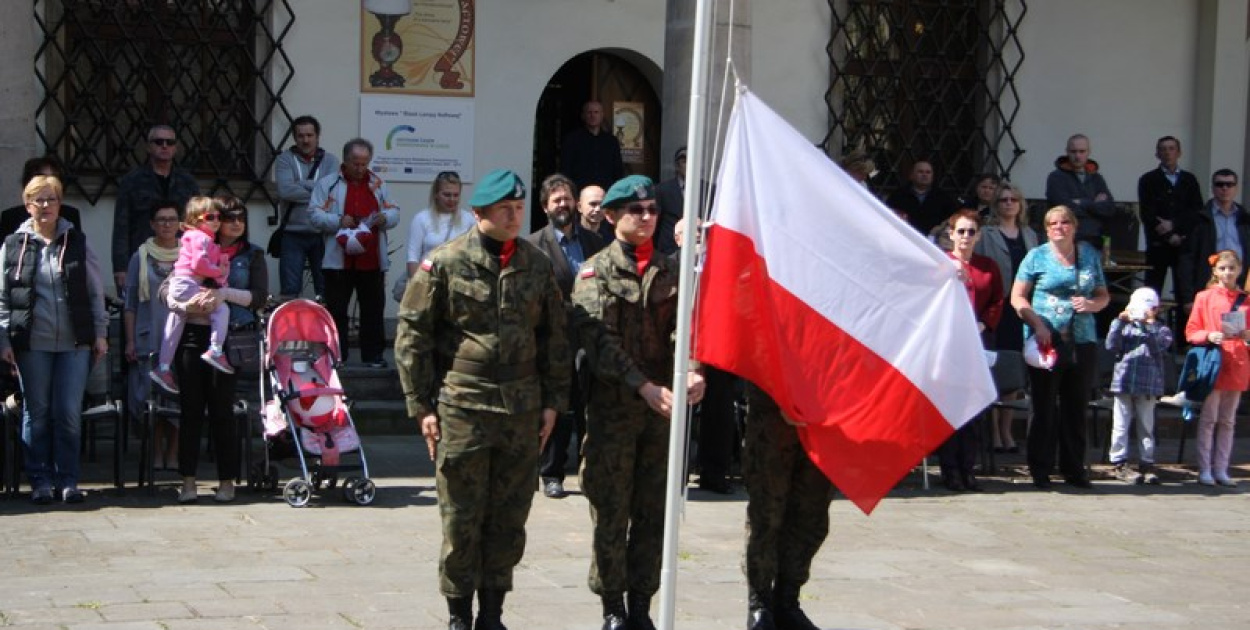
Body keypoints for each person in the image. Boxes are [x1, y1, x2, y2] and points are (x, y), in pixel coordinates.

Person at [395, 169, 570, 630]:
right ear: (479, 213)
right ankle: (459, 615)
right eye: (504, 209)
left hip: (521, 408)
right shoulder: (446, 262)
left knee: (509, 517)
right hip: (464, 407)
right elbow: (412, 336)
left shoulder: (536, 264)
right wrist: (421, 406)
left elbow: (555, 337)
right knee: (461, 517)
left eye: (519, 208)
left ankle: (493, 615)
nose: (514, 216)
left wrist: (553, 401)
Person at [571, 175, 705, 630]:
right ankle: (613, 606)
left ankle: (643, 605)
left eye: (652, 210)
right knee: (611, 511)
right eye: (635, 210)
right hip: (615, 411)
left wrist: (694, 369)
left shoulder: (672, 270)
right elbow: (600, 341)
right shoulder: (595, 272)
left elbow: (688, 327)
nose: (646, 217)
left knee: (654, 512)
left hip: (661, 414)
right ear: (611, 217)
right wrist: (642, 386)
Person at [0, 175, 108, 504]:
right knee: (37, 412)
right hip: (32, 342)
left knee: (68, 412)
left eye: (51, 199)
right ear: (27, 205)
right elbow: (3, 297)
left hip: (75, 343)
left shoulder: (77, 242)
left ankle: (68, 480)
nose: (45, 205)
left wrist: (100, 333)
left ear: (60, 203)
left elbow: (95, 292)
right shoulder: (13, 244)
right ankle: (40, 480)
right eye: (38, 200)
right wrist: (4, 340)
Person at [168, 195, 268, 504]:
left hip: (231, 338)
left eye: (242, 218)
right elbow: (167, 289)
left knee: (222, 411)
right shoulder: (194, 243)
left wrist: (224, 295)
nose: (237, 223)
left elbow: (259, 296)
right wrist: (185, 303)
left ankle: (227, 481)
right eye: (229, 217)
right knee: (191, 410)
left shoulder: (252, 254)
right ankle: (188, 481)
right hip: (192, 334)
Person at [1010, 205, 1109, 489]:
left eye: (1065, 222)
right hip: (1046, 339)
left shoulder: (1089, 255)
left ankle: (1074, 469)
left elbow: (1103, 295)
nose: (1059, 227)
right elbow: (1017, 297)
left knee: (1076, 406)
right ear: (1046, 229)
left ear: (1074, 226)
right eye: (1053, 223)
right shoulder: (1036, 256)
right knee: (1043, 406)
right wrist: (1037, 324)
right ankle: (1040, 469)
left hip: (1082, 339)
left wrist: (1092, 304)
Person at [525, 174, 604, 499]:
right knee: (556, 405)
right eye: (556, 200)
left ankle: (591, 471)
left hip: (590, 338)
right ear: (545, 207)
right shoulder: (533, 245)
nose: (563, 205)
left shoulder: (595, 242)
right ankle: (551, 473)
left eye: (567, 199)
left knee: (589, 406)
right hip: (553, 339)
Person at [742, 384, 834, 630]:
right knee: (767, 514)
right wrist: (782, 397)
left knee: (811, 515)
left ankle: (787, 601)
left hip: (823, 411)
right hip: (772, 412)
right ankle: (760, 603)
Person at [308, 138, 400, 367]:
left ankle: (373, 356)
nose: (360, 168)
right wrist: (338, 221)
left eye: (364, 163)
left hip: (371, 259)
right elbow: (314, 215)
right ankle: (337, 355)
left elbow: (395, 211)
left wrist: (385, 217)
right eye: (355, 163)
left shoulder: (378, 184)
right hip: (338, 260)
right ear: (345, 160)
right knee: (337, 309)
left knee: (373, 309)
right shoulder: (328, 183)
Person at [938, 209, 1002, 491]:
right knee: (950, 407)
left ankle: (968, 468)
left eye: (971, 232)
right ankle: (950, 470)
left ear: (978, 236)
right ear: (951, 234)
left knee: (973, 407)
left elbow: (997, 300)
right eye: (961, 231)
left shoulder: (988, 266)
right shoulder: (940, 263)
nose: (965, 236)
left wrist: (983, 324)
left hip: (977, 341)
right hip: (948, 343)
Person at [975, 182, 1038, 454]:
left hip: (1022, 307)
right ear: (996, 205)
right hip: (997, 306)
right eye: (1003, 200)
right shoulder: (987, 233)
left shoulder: (1030, 235)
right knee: (995, 365)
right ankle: (993, 433)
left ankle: (1007, 430)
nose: (1009, 203)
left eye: (1014, 199)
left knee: (1013, 367)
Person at [149, 197, 234, 395]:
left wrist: (220, 270)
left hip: (182, 285)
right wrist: (219, 271)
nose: (216, 221)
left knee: (176, 319)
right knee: (221, 309)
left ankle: (163, 367)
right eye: (210, 217)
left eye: (219, 217)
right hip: (187, 284)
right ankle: (215, 349)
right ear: (196, 220)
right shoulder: (199, 237)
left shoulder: (198, 238)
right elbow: (199, 264)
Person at [123, 201, 183, 470]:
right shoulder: (140, 256)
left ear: (179, 224)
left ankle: (174, 453)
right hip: (149, 335)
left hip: (180, 336)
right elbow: (130, 304)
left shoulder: (189, 255)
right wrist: (130, 340)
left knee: (178, 395)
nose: (167, 224)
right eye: (161, 219)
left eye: (171, 219)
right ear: (152, 224)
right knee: (150, 397)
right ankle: (156, 452)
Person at [1184, 249, 1248, 488]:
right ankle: (1205, 469)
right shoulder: (1204, 297)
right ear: (1215, 271)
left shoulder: (1246, 300)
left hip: (1238, 361)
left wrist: (1247, 336)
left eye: (1232, 268)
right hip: (1214, 361)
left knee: (1228, 420)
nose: (1228, 273)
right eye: (1223, 268)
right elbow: (1191, 331)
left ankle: (1222, 468)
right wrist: (1209, 335)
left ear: (1239, 270)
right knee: (1209, 418)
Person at [112, 124, 200, 295]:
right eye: (159, 142)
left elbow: (196, 223)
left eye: (170, 142)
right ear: (148, 147)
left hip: (181, 258)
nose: (164, 146)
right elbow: (121, 226)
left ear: (176, 147)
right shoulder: (132, 181)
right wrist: (120, 268)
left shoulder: (187, 182)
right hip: (143, 257)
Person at [1105, 287, 1172, 485]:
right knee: (1120, 424)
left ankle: (1147, 462)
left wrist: (1149, 326)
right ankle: (1119, 461)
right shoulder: (1125, 328)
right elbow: (1111, 345)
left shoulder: (1162, 330)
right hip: (1124, 383)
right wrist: (1119, 322)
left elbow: (1158, 348)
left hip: (1148, 385)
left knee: (1146, 425)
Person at [274, 115, 341, 301]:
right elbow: (285, 191)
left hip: (323, 233)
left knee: (327, 288)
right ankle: (292, 321)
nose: (305, 140)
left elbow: (332, 193)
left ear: (317, 136)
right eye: (301, 136)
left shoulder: (331, 161)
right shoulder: (284, 159)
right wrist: (318, 190)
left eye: (310, 135)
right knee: (290, 289)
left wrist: (301, 183)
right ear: (295, 138)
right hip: (292, 233)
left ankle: (326, 320)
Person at [1137, 136, 1203, 295]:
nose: (1167, 153)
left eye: (1171, 148)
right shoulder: (1148, 180)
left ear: (1179, 153)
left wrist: (1175, 226)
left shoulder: (1189, 179)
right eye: (1163, 149)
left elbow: (1196, 211)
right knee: (1152, 292)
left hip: (1184, 243)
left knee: (1184, 290)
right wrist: (1168, 236)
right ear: (1157, 154)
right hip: (1157, 243)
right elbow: (1147, 213)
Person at [394, 170, 474, 302]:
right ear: (436, 194)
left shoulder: (468, 220)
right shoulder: (422, 219)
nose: (452, 199)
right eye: (446, 195)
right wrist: (417, 289)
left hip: (458, 287)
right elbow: (413, 257)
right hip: (428, 283)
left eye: (456, 195)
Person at [1177, 170, 1247, 313]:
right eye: (1220, 184)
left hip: (1240, 285)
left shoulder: (1245, 218)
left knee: (1238, 326)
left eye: (1229, 184)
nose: (1225, 188)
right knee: (1212, 326)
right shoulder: (1198, 219)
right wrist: (1188, 297)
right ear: (1213, 188)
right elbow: (1187, 259)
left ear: (1236, 188)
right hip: (1209, 285)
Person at [1044, 134, 1115, 249]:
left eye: (1082, 151)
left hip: (1096, 240)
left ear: (1088, 152)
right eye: (1073, 151)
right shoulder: (1056, 178)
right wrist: (1095, 204)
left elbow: (1109, 209)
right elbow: (1064, 211)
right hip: (1067, 241)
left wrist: (1083, 203)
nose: (1077, 156)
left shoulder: (1097, 178)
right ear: (1067, 152)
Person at [0, 155, 83, 239]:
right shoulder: (11, 218)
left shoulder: (70, 216)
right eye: (41, 179)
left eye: (53, 178)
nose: (47, 183)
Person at [560, 100, 624, 191]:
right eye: (589, 112)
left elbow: (618, 170)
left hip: (606, 191)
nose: (593, 115)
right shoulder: (572, 140)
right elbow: (566, 169)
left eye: (596, 112)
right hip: (580, 191)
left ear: (602, 115)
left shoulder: (611, 141)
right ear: (583, 116)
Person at [884, 160, 957, 236]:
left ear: (932, 176)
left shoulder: (943, 197)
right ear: (911, 175)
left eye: (928, 172)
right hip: (904, 237)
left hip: (933, 239)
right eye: (920, 172)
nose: (924, 175)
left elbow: (952, 220)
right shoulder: (898, 196)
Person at [654, 146, 687, 254]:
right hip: (669, 249)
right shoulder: (662, 190)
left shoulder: (708, 189)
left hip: (698, 248)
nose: (689, 164)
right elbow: (655, 223)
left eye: (692, 160)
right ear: (677, 166)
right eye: (684, 161)